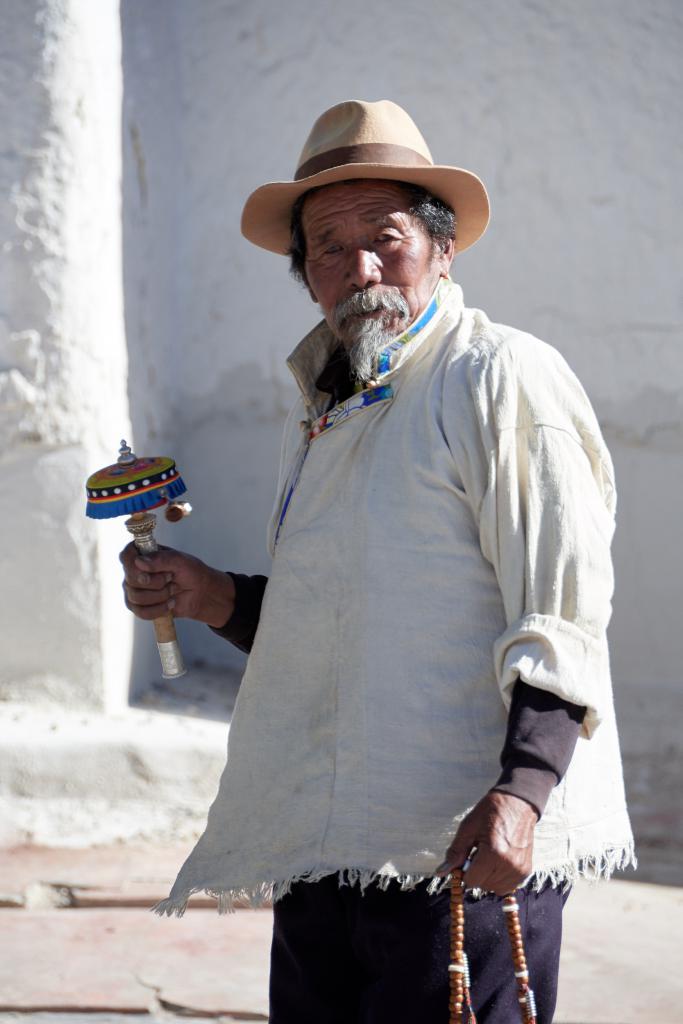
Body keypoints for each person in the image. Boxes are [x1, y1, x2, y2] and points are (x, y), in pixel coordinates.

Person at [120, 100, 634, 1023]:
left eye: (385, 238)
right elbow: (348, 613)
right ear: (305, 274)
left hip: (462, 848)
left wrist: (520, 793)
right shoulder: (328, 402)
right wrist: (213, 597)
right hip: (332, 844)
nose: (358, 268)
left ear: (443, 250)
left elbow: (560, 605)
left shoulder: (496, 376)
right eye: (327, 247)